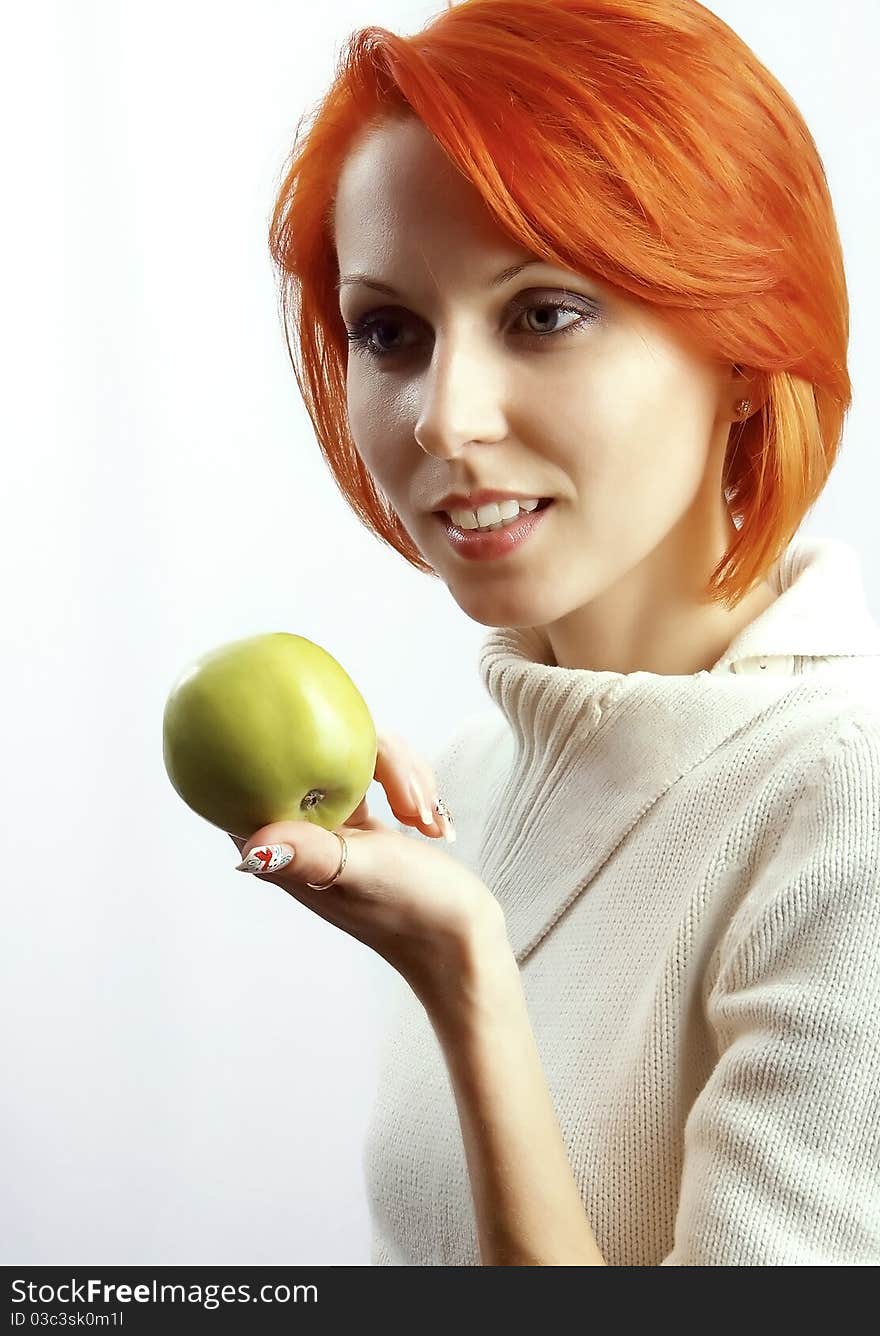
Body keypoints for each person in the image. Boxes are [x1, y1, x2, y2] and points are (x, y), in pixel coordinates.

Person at [262, 0, 880, 1263]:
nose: (443, 419)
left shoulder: (845, 806)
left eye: (543, 313)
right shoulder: (469, 785)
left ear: (744, 348)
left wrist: (468, 981)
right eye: (390, 331)